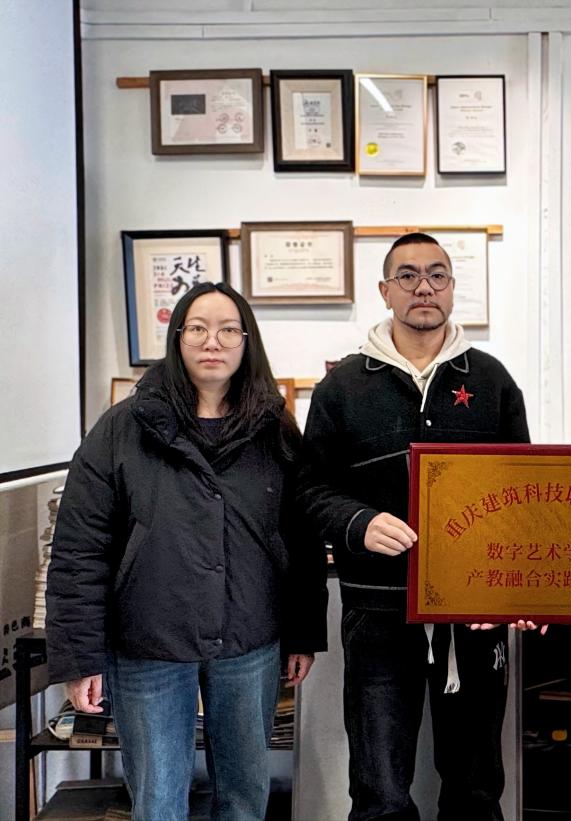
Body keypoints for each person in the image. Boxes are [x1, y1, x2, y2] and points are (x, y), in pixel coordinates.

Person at [46, 282, 327, 821]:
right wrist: (80, 658)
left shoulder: (275, 431)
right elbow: (80, 548)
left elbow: (302, 541)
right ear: (177, 338)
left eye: (227, 330)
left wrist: (303, 633)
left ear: (247, 342)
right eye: (197, 328)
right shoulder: (122, 428)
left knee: (244, 797)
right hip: (148, 641)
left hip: (249, 640)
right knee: (157, 801)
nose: (212, 341)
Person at [296, 232, 532, 821]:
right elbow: (309, 491)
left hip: (475, 616)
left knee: (477, 790)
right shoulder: (342, 387)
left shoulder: (493, 382)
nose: (423, 287)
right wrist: (358, 522)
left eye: (436, 275)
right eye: (407, 275)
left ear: (452, 288)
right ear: (385, 291)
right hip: (378, 613)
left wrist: (519, 591)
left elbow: (524, 498)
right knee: (379, 793)